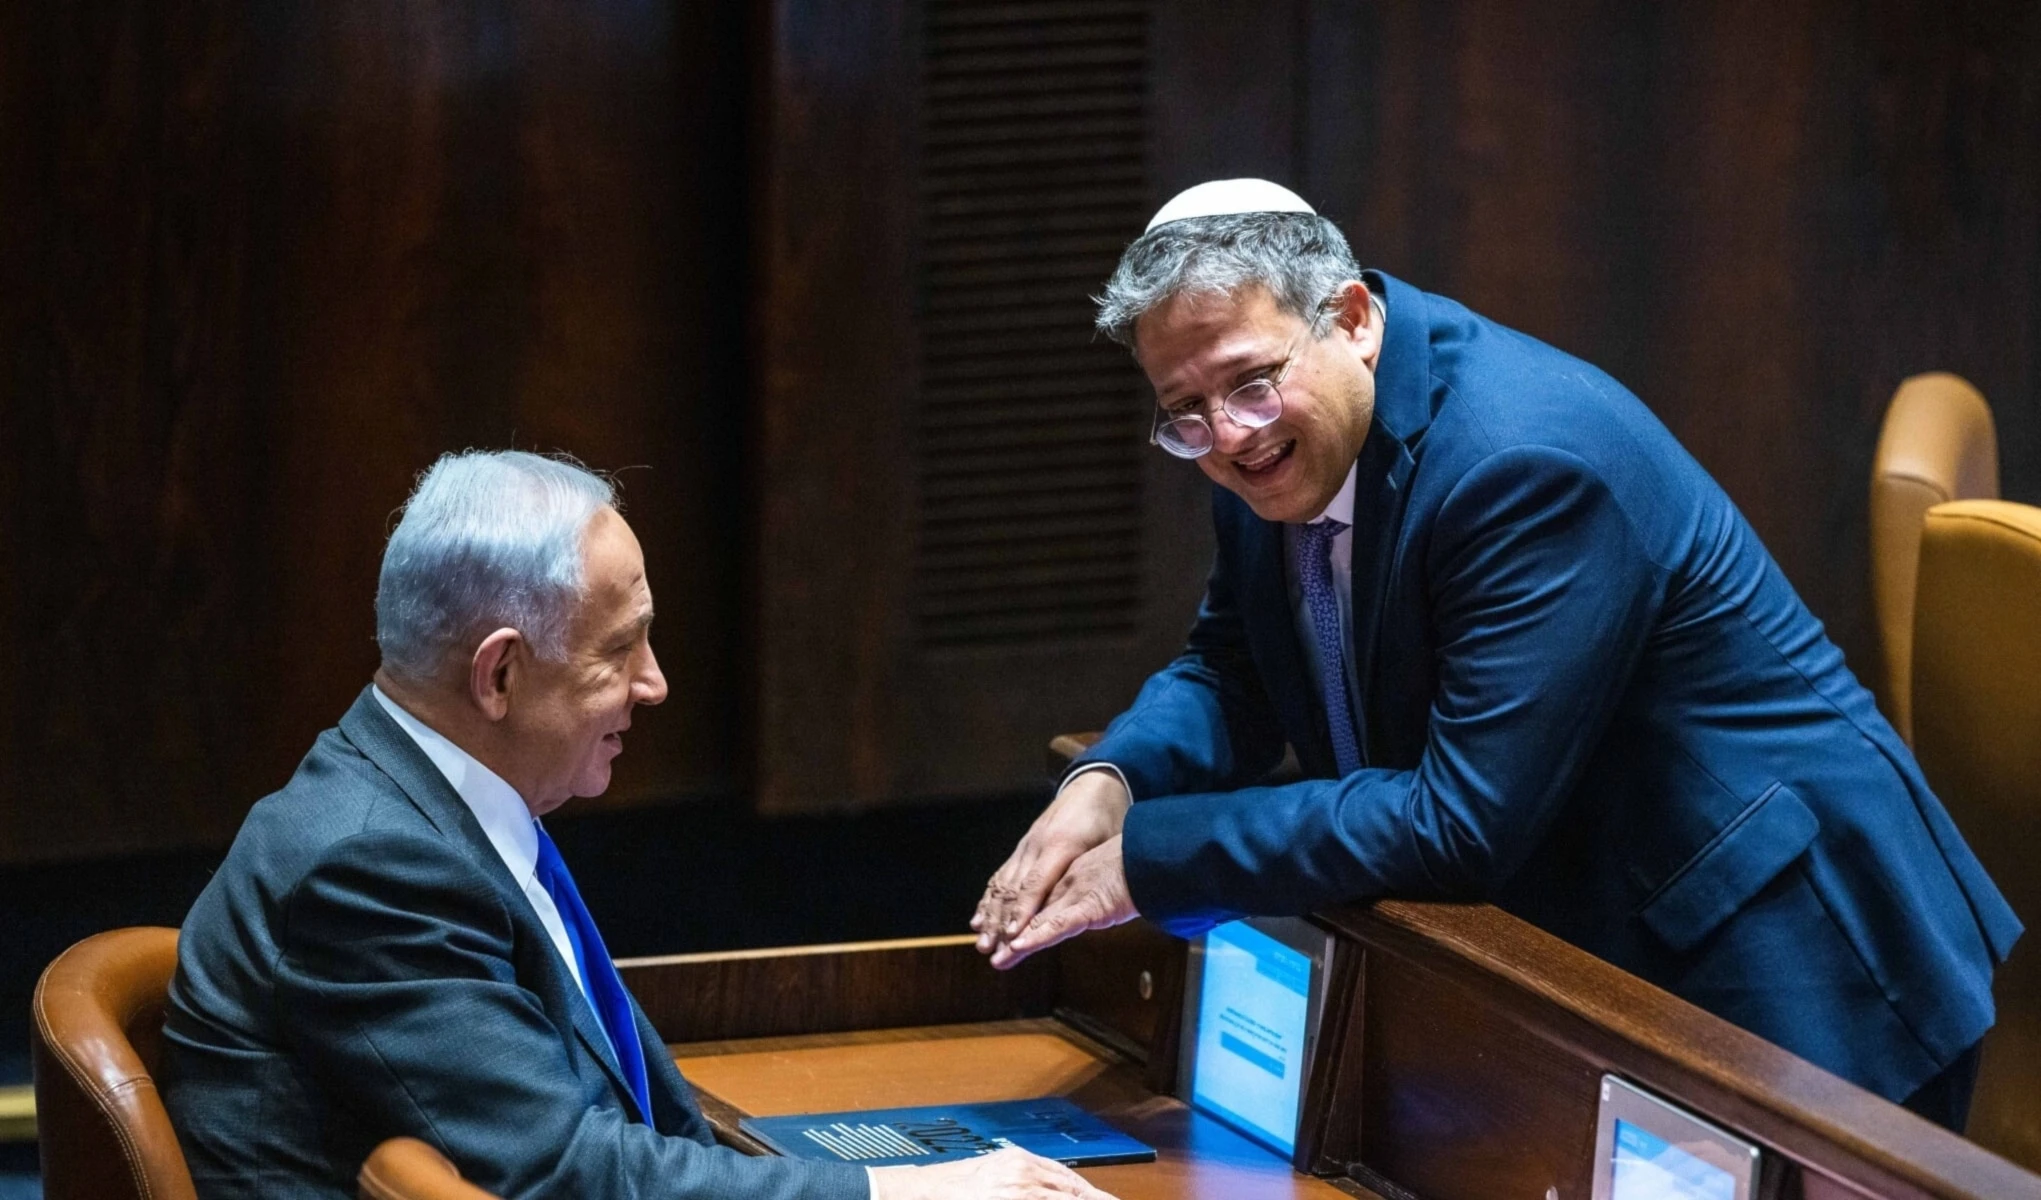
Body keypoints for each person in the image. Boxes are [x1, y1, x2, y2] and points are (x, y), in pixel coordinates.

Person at [971, 180, 2021, 1130]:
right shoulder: (1279, 443)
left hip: (1791, 963)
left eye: (1248, 385)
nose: (1230, 438)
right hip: (1592, 933)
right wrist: (1111, 783)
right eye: (1184, 415)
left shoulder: (1525, 462)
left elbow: (1456, 819)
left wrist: (1150, 859)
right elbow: (1230, 666)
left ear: (1350, 317)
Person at [162, 451, 1114, 1200]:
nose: (654, 684)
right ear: (498, 675)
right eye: (620, 650)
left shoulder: (433, 802)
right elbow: (560, 1175)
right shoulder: (370, 865)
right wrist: (895, 1190)